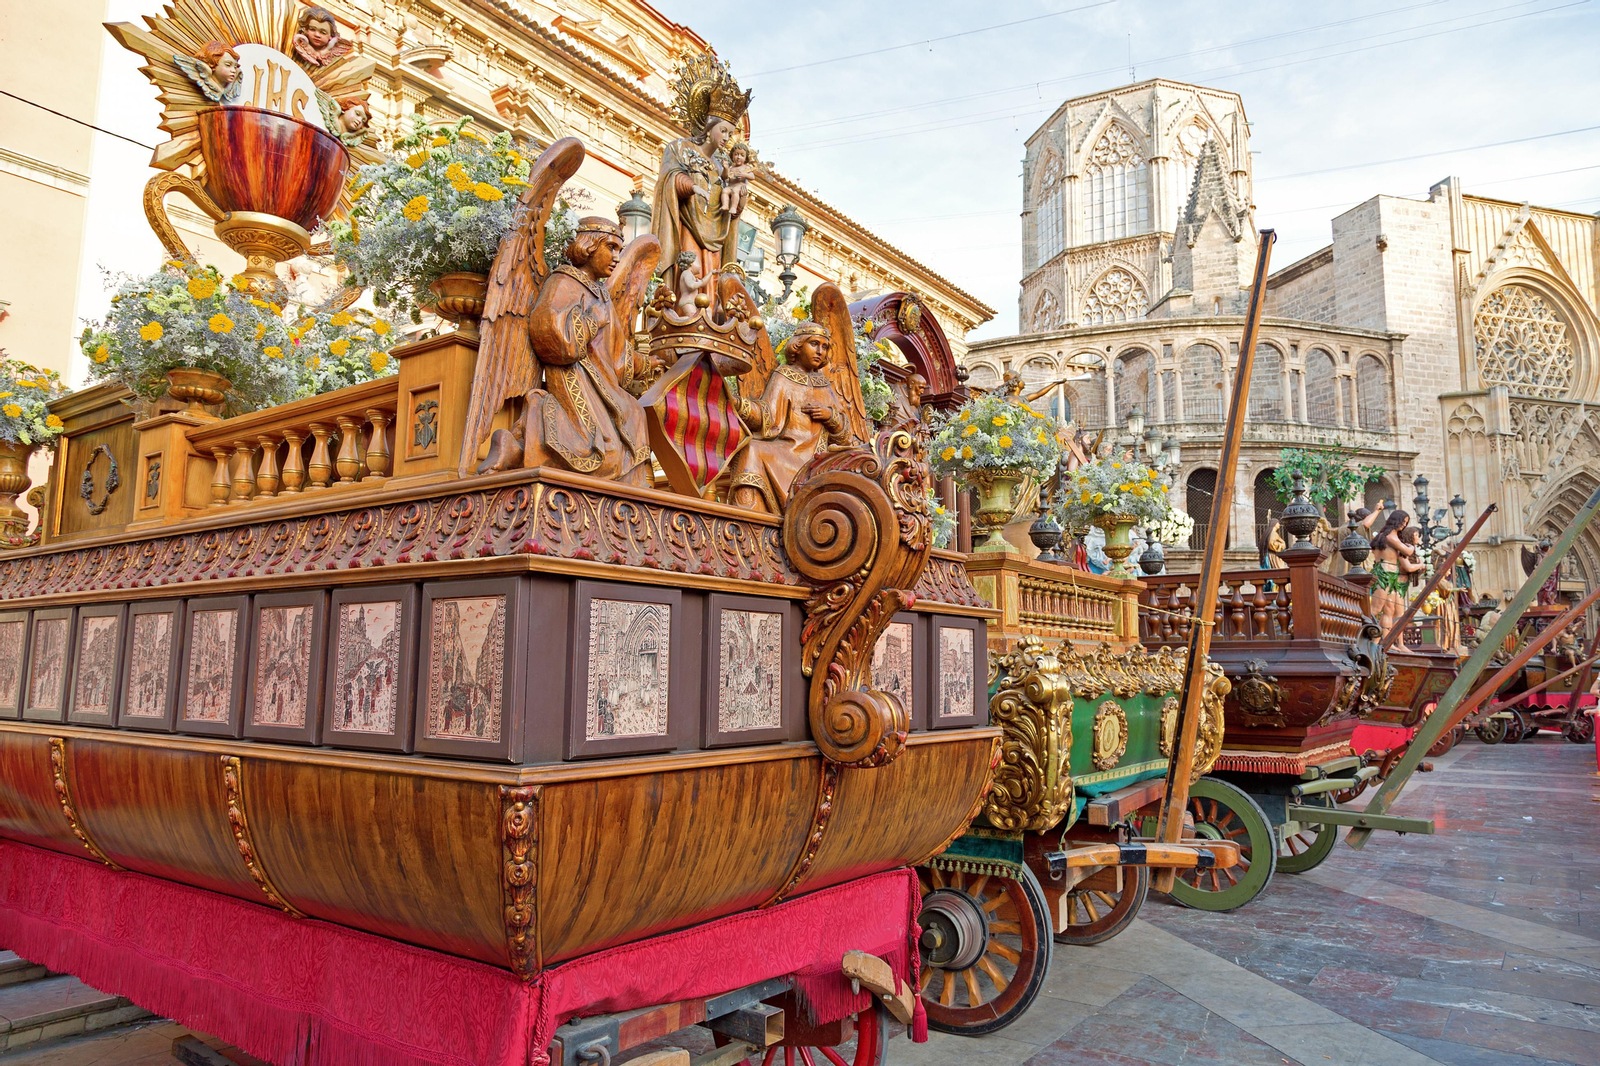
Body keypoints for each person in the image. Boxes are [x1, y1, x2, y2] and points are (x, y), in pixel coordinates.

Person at [1369, 509, 1426, 631]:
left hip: (1392, 574)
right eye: (1403, 522)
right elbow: (1408, 551)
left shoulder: (1390, 535)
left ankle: (1381, 642)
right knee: (1376, 609)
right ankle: (1360, 636)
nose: (1404, 525)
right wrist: (1411, 544)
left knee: (1389, 609)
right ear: (1396, 521)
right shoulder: (1389, 536)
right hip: (1385, 573)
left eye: (1406, 522)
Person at [720, 143, 756, 217]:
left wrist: (744, 175)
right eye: (736, 154)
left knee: (735, 191)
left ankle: (733, 207)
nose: (738, 157)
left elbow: (752, 177)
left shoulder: (745, 168)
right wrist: (725, 168)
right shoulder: (731, 168)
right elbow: (725, 176)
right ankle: (725, 205)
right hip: (731, 185)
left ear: (746, 158)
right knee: (725, 191)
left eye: (742, 155)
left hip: (739, 186)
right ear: (732, 156)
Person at [672, 250, 712, 316]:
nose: (700, 266)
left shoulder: (691, 275)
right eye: (698, 262)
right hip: (688, 302)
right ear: (691, 263)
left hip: (694, 302)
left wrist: (711, 273)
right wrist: (700, 283)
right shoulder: (686, 273)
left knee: (708, 311)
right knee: (692, 318)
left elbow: (703, 282)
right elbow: (691, 286)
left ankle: (708, 324)